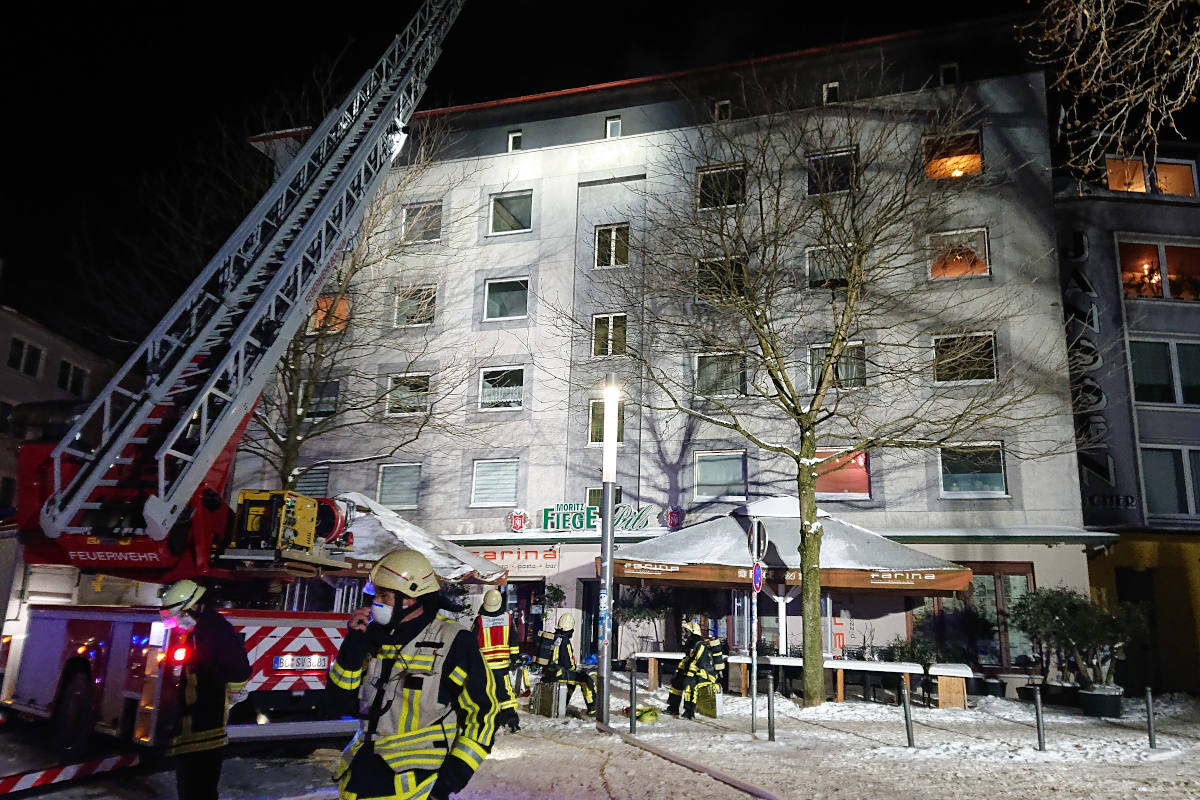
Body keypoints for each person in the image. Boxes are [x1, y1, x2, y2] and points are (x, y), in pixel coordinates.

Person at [328, 548, 498, 800]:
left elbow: (483, 717)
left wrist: (448, 782)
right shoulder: (372, 638)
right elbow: (338, 702)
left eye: (384, 596)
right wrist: (352, 648)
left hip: (416, 786)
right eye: (376, 595)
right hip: (359, 779)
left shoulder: (452, 641)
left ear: (411, 598)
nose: (376, 603)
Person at [159, 579, 252, 800]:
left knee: (199, 788)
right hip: (194, 729)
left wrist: (234, 695)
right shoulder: (199, 630)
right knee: (191, 787)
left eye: (180, 615)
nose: (178, 622)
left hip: (206, 729)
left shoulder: (215, 630)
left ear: (196, 605)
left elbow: (238, 668)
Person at [472, 588, 521, 732]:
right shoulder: (508, 618)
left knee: (487, 692)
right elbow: (514, 640)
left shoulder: (479, 620)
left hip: (485, 665)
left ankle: (487, 721)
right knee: (505, 692)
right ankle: (512, 721)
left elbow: (473, 642)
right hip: (502, 665)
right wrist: (514, 657)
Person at [540, 612, 596, 716]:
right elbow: (569, 664)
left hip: (549, 672)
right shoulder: (565, 641)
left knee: (572, 682)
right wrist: (577, 669)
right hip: (559, 673)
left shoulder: (554, 637)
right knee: (586, 680)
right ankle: (593, 709)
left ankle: (560, 704)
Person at [666, 620, 720, 720]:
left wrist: (689, 674)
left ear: (693, 632)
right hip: (695, 673)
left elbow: (699, 662)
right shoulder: (692, 645)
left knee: (689, 684)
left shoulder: (700, 645)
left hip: (704, 674)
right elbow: (688, 659)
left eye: (687, 632)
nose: (685, 634)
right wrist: (680, 671)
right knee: (676, 681)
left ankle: (689, 712)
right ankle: (673, 708)